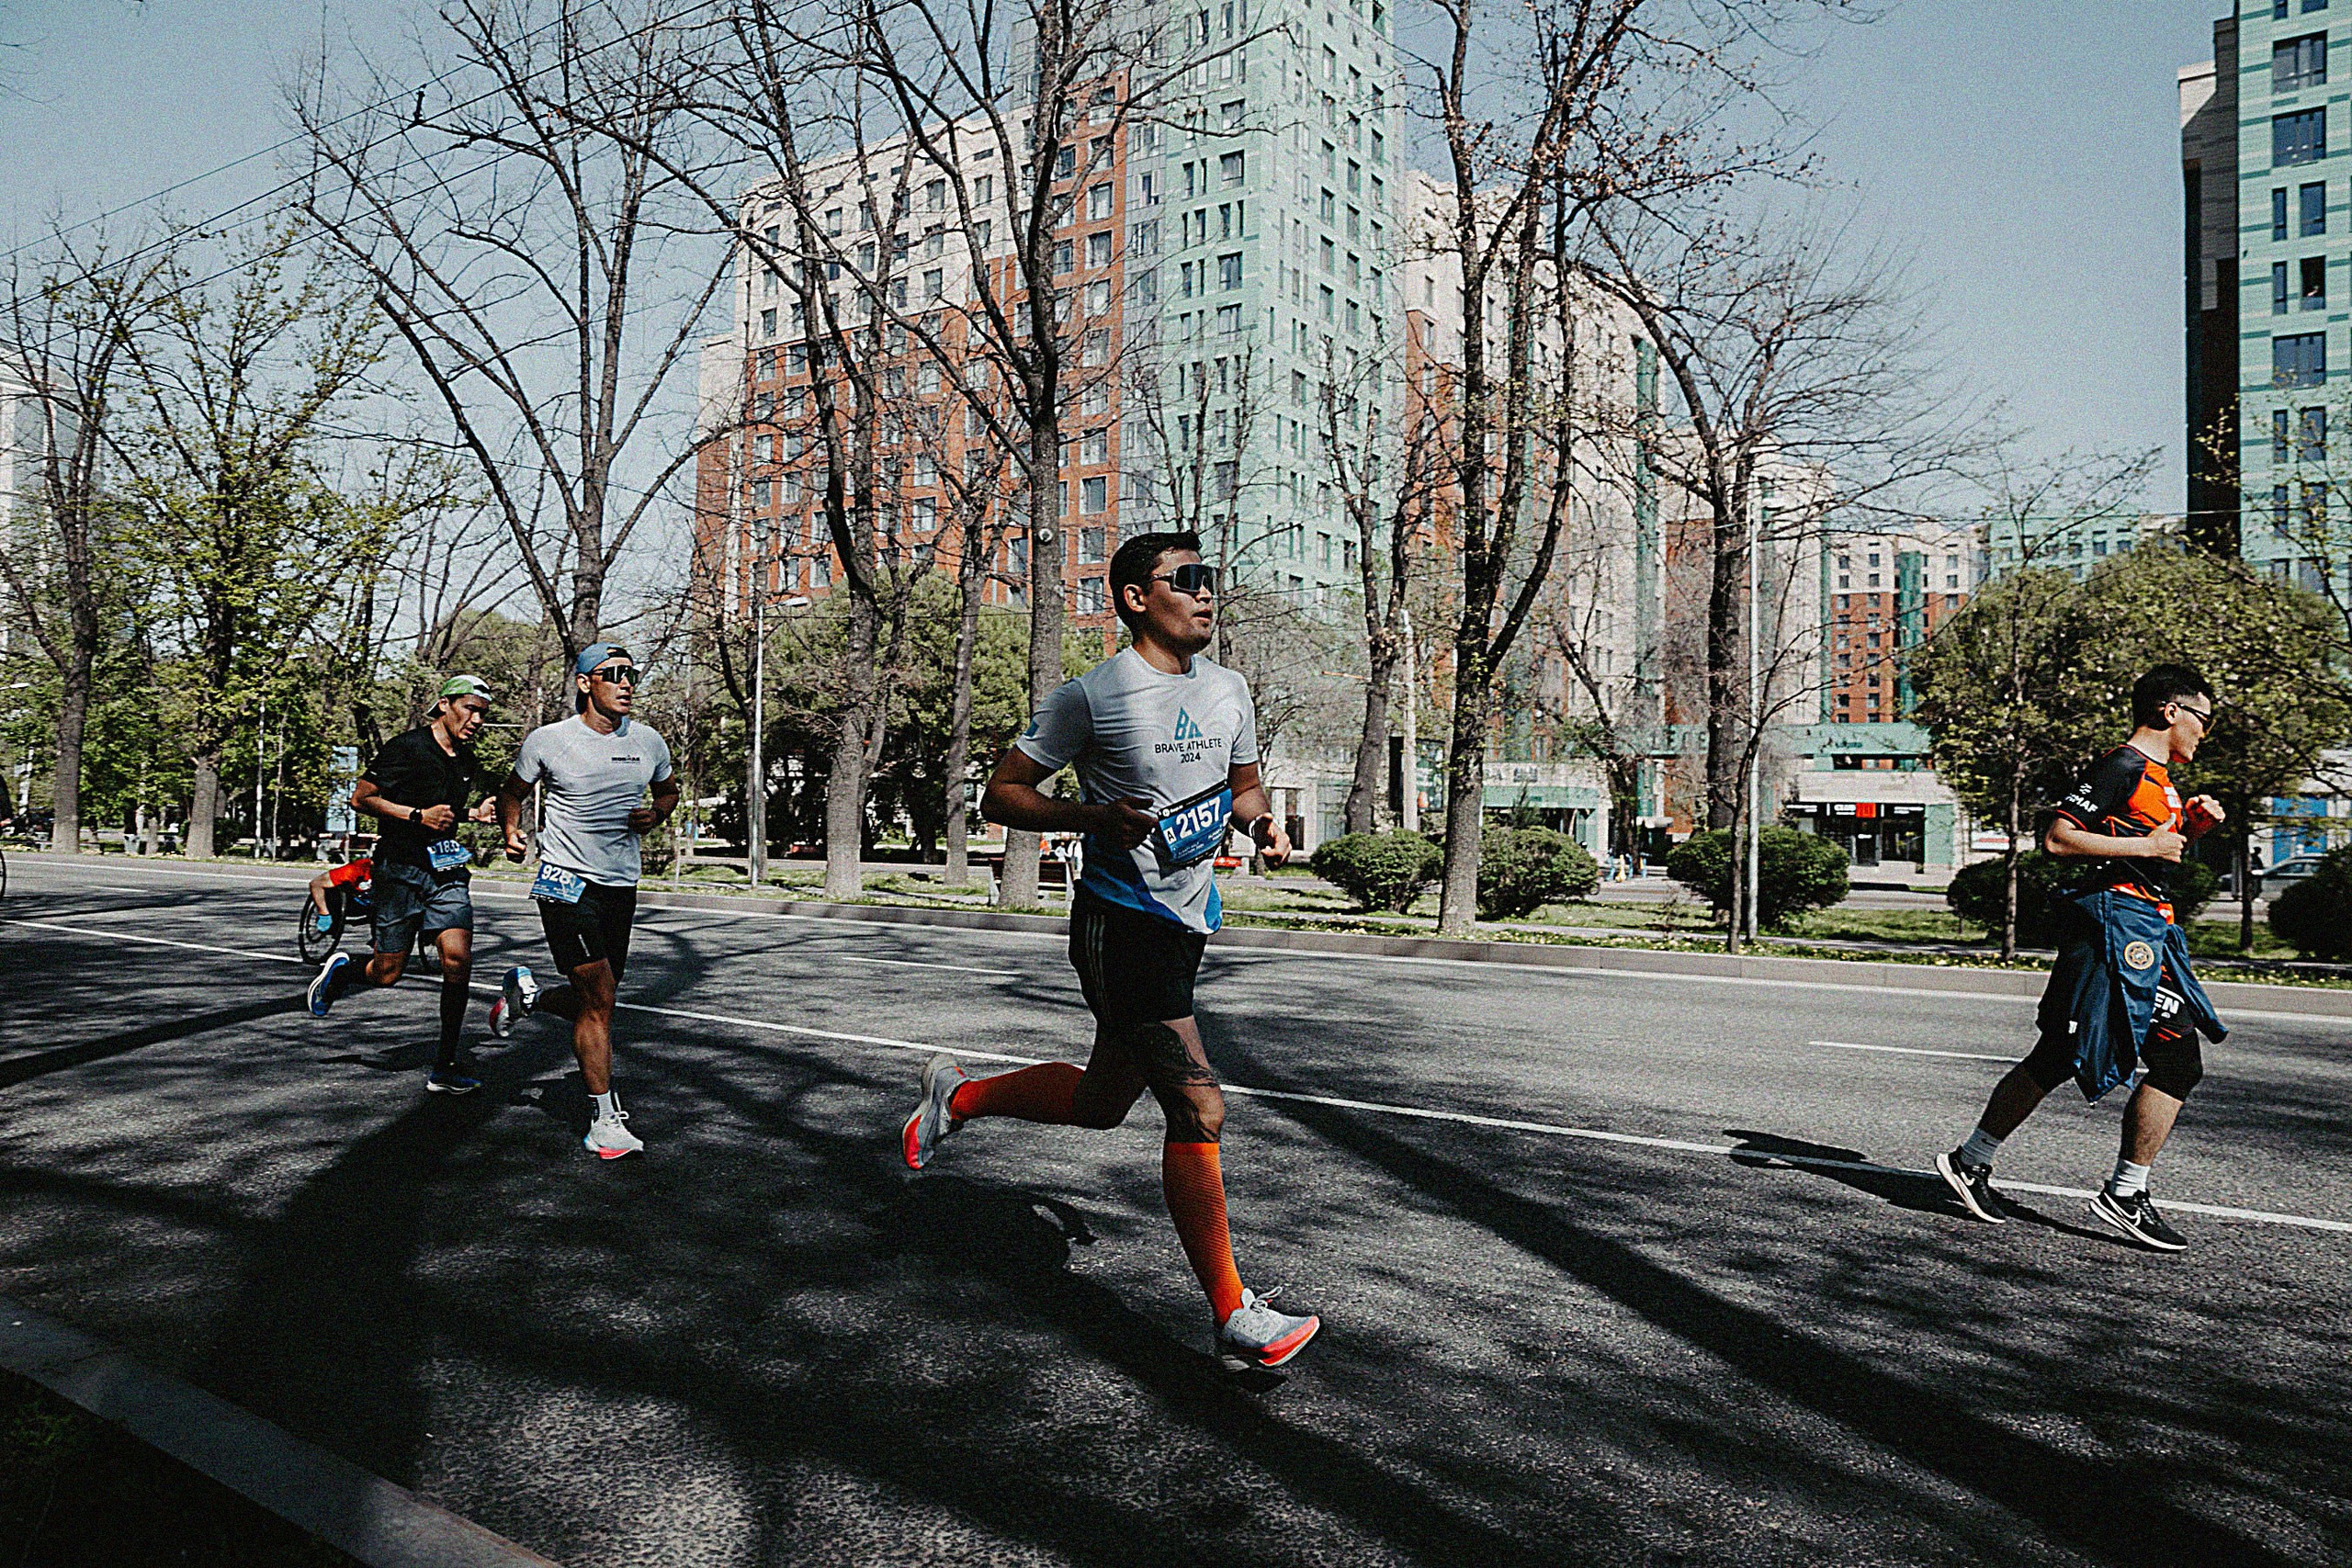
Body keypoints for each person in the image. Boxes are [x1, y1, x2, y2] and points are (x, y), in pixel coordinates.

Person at [899, 531, 1321, 1371]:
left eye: (1212, 579)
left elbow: (1240, 785)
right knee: (1199, 1107)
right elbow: (1004, 793)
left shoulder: (1231, 688)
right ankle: (1233, 1312)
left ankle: (957, 1098)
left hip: (1186, 920)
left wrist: (1262, 820)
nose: (1208, 594)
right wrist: (1094, 817)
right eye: (1188, 581)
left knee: (1101, 1103)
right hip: (1117, 924)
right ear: (1135, 597)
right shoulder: (1091, 697)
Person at [1934, 665, 2229, 1252]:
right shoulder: (2123, 766)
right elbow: (2060, 838)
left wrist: (2188, 831)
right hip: (2113, 938)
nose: (2204, 732)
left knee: (2065, 1055)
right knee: (2166, 1062)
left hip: (2144, 936)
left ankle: (1971, 1162)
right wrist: (2148, 843)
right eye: (2203, 718)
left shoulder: (2161, 782)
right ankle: (2124, 1192)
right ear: (2171, 711)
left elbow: (2148, 858)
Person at [492, 643, 679, 1160]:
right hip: (564, 879)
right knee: (599, 1002)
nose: (626, 684)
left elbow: (668, 791)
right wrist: (512, 830)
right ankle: (603, 1117)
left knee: (600, 998)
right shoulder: (549, 740)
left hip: (620, 884)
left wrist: (657, 815)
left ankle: (528, 998)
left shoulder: (648, 741)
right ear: (583, 683)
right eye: (613, 675)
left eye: (632, 675)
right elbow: (513, 790)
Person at [307, 677, 502, 1092]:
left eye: (484, 712)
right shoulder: (407, 747)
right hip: (399, 871)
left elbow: (445, 814)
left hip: (446, 873)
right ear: (444, 704)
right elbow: (362, 798)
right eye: (470, 708)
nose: (477, 719)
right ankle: (344, 973)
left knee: (458, 960)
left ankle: (445, 1065)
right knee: (387, 973)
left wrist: (473, 815)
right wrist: (416, 816)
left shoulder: (465, 760)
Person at [307, 854, 373, 933]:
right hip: (355, 905)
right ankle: (327, 916)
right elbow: (316, 884)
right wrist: (323, 913)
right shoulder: (358, 868)